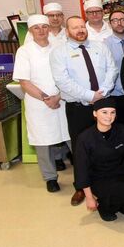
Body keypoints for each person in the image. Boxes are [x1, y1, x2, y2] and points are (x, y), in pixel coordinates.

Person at [50, 16, 118, 206]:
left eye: (82, 26)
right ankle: (81, 187)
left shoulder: (100, 47)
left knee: (108, 144)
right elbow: (63, 81)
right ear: (67, 31)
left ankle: (109, 180)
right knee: (80, 149)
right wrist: (89, 96)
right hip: (79, 108)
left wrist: (102, 92)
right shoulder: (59, 53)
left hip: (104, 104)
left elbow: (112, 70)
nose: (80, 30)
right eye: (75, 27)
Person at [13, 14, 71, 193]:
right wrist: (46, 98)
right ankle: (50, 177)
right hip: (38, 104)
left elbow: (70, 74)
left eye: (44, 27)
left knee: (71, 136)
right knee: (43, 141)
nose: (41, 31)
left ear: (49, 28)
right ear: (30, 31)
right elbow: (24, 82)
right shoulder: (24, 51)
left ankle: (84, 174)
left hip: (62, 99)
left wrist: (58, 97)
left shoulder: (60, 48)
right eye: (36, 28)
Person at [74, 97, 124, 222]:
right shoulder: (85, 138)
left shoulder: (122, 130)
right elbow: (81, 168)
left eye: (112, 112)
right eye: (104, 112)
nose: (109, 116)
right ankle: (104, 208)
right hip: (99, 177)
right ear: (95, 113)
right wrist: (89, 197)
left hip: (121, 173)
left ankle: (118, 201)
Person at [103, 10, 124, 128]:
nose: (119, 23)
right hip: (117, 94)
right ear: (110, 24)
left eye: (122, 20)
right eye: (115, 20)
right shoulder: (105, 45)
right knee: (122, 128)